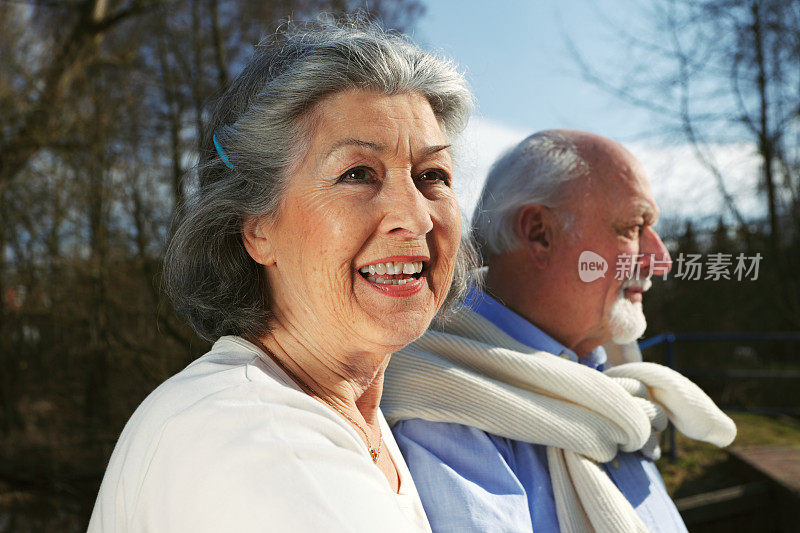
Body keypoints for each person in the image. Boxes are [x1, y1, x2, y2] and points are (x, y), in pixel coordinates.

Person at [87, 19, 475, 532]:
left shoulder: (348, 417)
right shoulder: (257, 440)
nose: (417, 216)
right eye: (358, 173)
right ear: (257, 228)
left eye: (433, 176)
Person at [382, 130, 737, 532]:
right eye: (634, 227)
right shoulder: (445, 412)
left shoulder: (613, 393)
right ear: (539, 232)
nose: (661, 259)